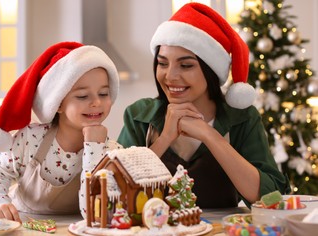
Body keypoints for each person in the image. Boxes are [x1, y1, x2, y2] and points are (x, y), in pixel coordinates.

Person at [117, 3, 290, 209]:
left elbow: (272, 198)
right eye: (163, 63)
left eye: (186, 65)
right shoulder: (139, 116)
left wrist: (210, 136)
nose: (170, 76)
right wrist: (164, 139)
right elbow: (114, 191)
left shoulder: (242, 118)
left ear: (211, 70)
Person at [0, 41, 122, 223]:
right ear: (58, 103)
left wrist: (94, 148)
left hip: (76, 235)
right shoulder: (30, 139)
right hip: (24, 229)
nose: (97, 102)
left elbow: (97, 214)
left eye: (103, 94)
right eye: (82, 96)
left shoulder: (110, 151)